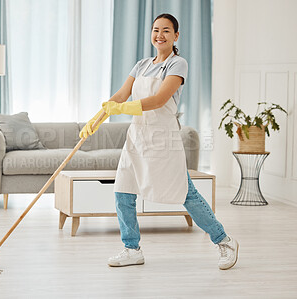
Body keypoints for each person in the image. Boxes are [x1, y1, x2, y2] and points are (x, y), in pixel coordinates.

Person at [79, 13, 239, 270]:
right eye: (156, 30)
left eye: (166, 31)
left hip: (163, 138)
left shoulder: (178, 64)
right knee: (123, 191)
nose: (159, 35)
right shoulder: (141, 64)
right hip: (137, 137)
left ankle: (225, 241)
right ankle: (132, 249)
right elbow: (121, 94)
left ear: (176, 36)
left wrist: (121, 109)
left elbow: (159, 100)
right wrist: (97, 118)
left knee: (186, 194)